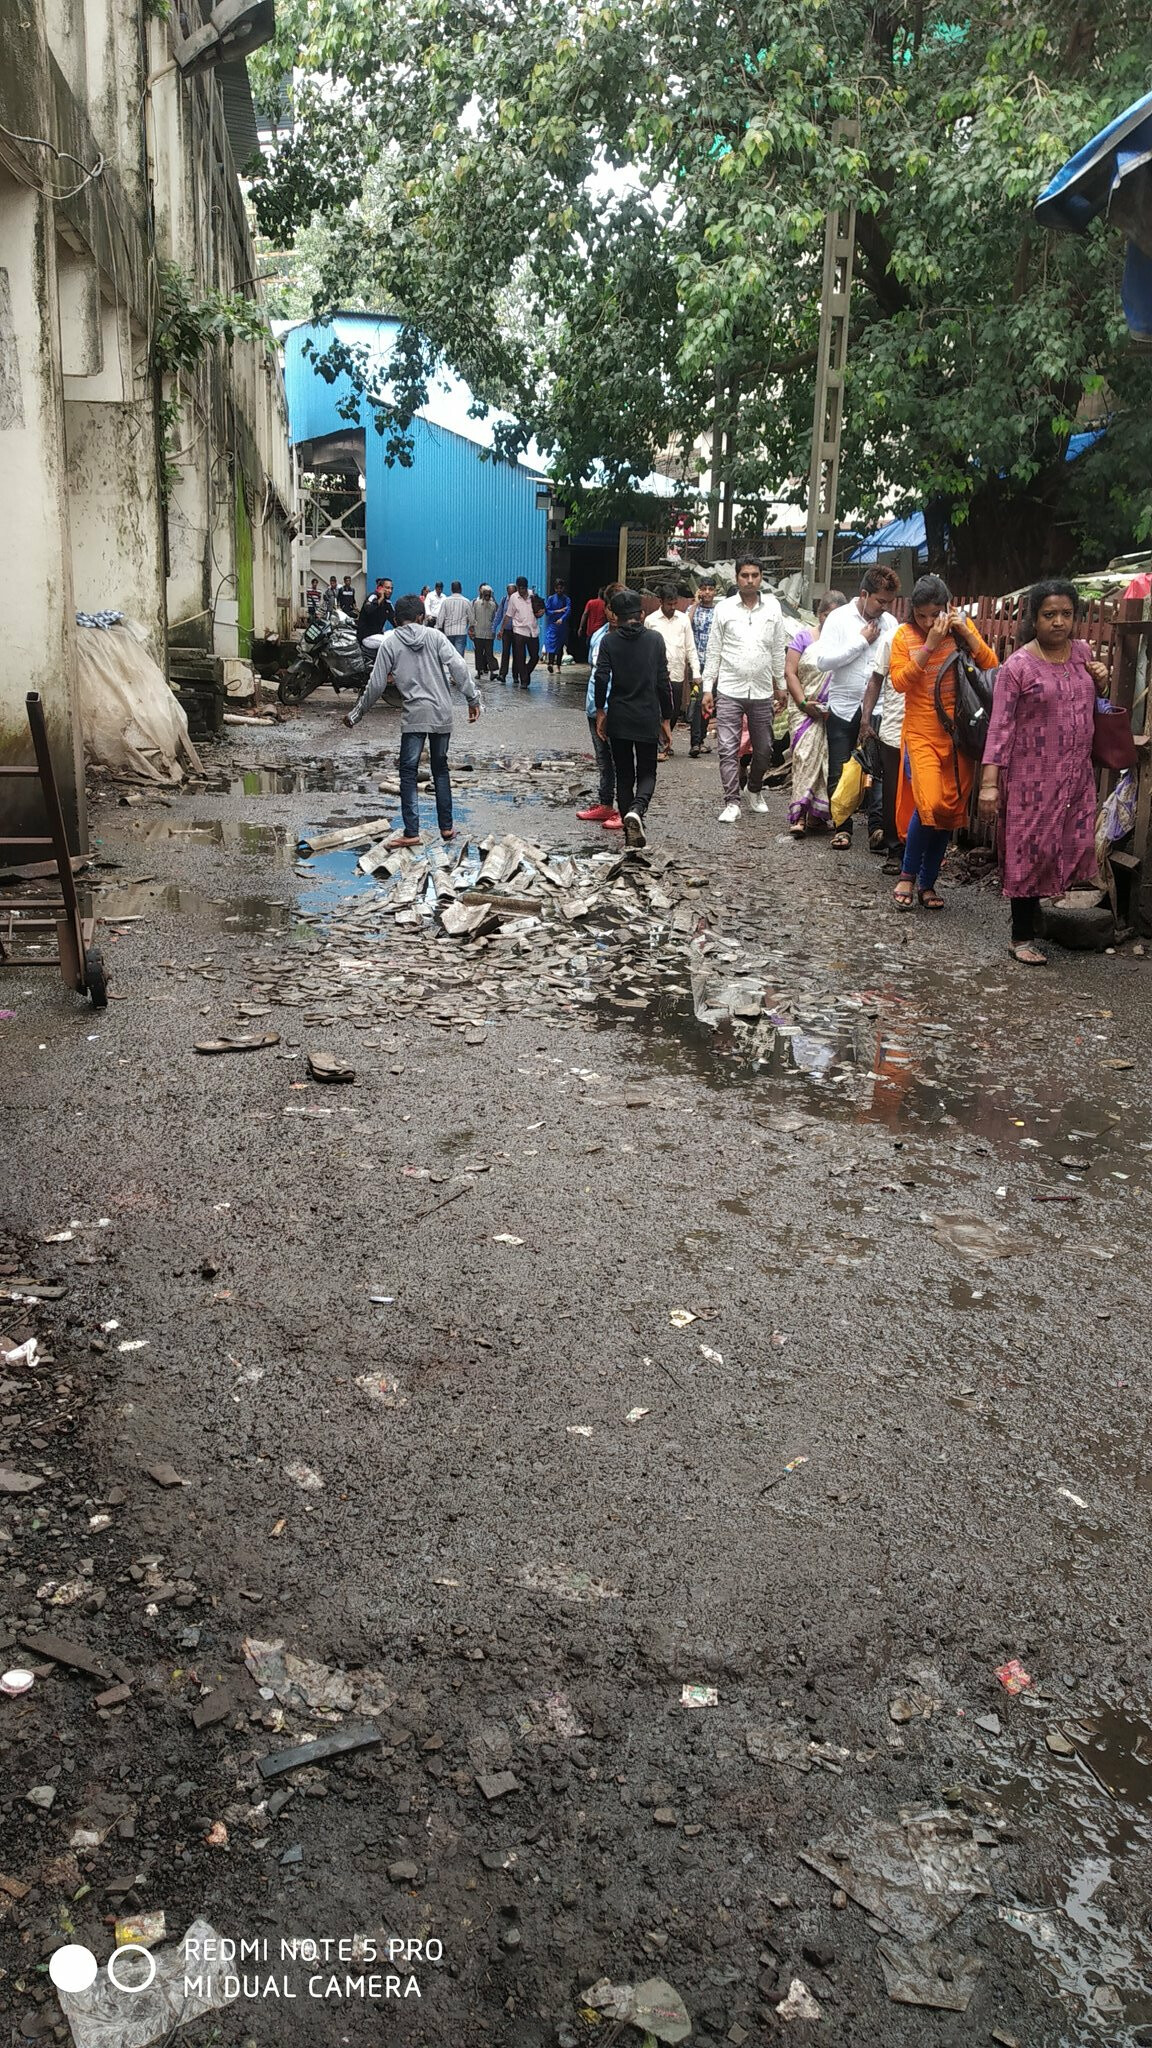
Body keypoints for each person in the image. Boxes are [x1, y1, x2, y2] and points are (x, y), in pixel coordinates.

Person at [977, 579, 1109, 963]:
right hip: (1031, 778)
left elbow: (1094, 703)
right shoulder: (1018, 666)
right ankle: (1020, 937)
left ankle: (1036, 917)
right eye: (1049, 614)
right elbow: (1000, 727)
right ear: (1034, 619)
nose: (1059, 622)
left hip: (1075, 775)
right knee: (1029, 849)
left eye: (1066, 614)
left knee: (1065, 845)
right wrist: (989, 784)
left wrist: (1101, 681)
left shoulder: (1082, 654)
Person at [889, 574, 998, 911]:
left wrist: (966, 632)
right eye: (920, 615)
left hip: (959, 735)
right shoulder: (903, 636)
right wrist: (929, 646)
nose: (927, 622)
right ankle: (907, 875)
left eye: (934, 614)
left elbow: (992, 667)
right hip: (920, 733)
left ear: (947, 608)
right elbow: (899, 682)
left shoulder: (961, 629)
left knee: (949, 811)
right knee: (930, 803)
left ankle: (928, 883)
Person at [343, 594, 480, 847]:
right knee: (440, 769)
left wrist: (357, 713)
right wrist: (473, 698)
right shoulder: (435, 637)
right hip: (441, 712)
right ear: (421, 617)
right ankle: (447, 828)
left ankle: (412, 832)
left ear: (396, 620)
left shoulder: (390, 643)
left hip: (414, 715)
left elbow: (376, 684)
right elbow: (459, 666)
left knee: (408, 771)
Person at [809, 567, 901, 849]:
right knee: (840, 768)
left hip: (879, 708)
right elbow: (823, 661)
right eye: (880, 601)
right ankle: (842, 827)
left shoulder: (891, 624)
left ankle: (877, 829)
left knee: (879, 771)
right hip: (843, 706)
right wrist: (861, 642)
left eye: (889, 602)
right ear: (864, 594)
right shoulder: (838, 619)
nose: (885, 608)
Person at [701, 555, 788, 823]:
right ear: (736, 577)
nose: (750, 580)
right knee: (727, 748)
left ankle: (754, 788)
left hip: (762, 691)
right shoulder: (724, 609)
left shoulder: (773, 608)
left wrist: (781, 685)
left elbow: (778, 649)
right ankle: (732, 801)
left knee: (764, 749)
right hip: (729, 689)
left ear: (761, 578)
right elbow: (714, 650)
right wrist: (707, 688)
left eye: (754, 575)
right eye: (744, 575)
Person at [594, 586, 673, 848]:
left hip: (619, 716)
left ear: (615, 616)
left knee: (624, 773)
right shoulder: (655, 640)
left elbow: (601, 677)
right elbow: (663, 682)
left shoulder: (609, 642)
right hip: (647, 715)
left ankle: (630, 829)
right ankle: (637, 811)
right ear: (641, 614)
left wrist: (601, 711)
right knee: (647, 772)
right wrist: (666, 718)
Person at [784, 590, 844, 837]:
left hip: (832, 713)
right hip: (804, 711)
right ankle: (798, 815)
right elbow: (790, 672)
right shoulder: (804, 638)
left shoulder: (846, 643)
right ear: (819, 615)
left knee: (827, 764)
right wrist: (803, 703)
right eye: (827, 615)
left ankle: (817, 816)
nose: (831, 621)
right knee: (804, 758)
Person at [577, 582, 624, 830]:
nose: (614, 614)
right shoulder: (598, 635)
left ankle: (625, 810)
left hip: (617, 709)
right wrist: (596, 708)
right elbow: (595, 672)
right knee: (603, 760)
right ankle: (606, 803)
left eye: (619, 609)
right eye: (610, 608)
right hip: (594, 709)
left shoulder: (631, 639)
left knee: (621, 761)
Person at [859, 632, 905, 871]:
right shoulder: (892, 639)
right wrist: (865, 719)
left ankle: (917, 852)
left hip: (929, 731)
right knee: (891, 792)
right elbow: (876, 680)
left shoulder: (945, 639)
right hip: (894, 728)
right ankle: (894, 850)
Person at [645, 582, 700, 756]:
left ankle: (664, 739)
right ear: (660, 601)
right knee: (656, 709)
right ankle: (659, 744)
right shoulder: (650, 621)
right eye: (669, 603)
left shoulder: (683, 620)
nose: (673, 607)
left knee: (674, 710)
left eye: (675, 603)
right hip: (655, 674)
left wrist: (696, 672)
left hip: (676, 672)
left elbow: (690, 647)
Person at [687, 578, 718, 755]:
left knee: (708, 701)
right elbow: (685, 625)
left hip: (713, 664)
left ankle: (700, 740)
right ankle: (695, 742)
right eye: (704, 589)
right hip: (696, 663)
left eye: (710, 589)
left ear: (715, 592)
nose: (707, 592)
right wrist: (695, 604)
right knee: (698, 700)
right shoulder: (693, 610)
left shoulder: (718, 612)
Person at [506, 575, 540, 689]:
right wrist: (502, 629)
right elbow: (509, 615)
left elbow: (540, 610)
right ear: (517, 587)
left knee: (535, 657)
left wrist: (541, 613)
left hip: (533, 630)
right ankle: (524, 681)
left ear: (526, 587)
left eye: (523, 588)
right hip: (519, 630)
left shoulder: (533, 595)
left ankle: (525, 672)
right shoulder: (513, 598)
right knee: (520, 657)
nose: (522, 591)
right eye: (520, 588)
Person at [437, 580, 473, 653]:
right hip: (461, 632)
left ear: (451, 589)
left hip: (448, 631)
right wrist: (471, 626)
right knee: (459, 655)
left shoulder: (445, 601)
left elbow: (440, 617)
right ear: (461, 589)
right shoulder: (466, 601)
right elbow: (471, 618)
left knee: (449, 654)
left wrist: (439, 627)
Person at [543, 582, 571, 675]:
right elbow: (547, 611)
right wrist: (557, 611)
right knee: (551, 644)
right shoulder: (551, 599)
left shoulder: (566, 599)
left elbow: (568, 611)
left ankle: (558, 666)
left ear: (563, 588)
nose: (559, 590)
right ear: (555, 589)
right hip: (552, 625)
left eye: (561, 588)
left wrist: (562, 619)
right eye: (557, 588)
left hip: (562, 626)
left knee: (560, 646)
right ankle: (550, 663)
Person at [356, 577, 395, 644]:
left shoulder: (388, 603)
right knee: (388, 643)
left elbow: (394, 619)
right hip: (366, 636)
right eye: (387, 588)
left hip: (378, 635)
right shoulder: (372, 597)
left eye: (391, 588)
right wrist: (381, 598)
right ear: (380, 588)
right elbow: (368, 609)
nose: (390, 591)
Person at [471, 584, 497, 676]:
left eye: (489, 595)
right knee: (478, 653)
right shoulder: (476, 603)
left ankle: (492, 671)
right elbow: (473, 617)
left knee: (489, 653)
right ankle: (479, 671)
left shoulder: (493, 605)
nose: (487, 597)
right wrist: (472, 629)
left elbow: (494, 618)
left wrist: (493, 629)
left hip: (489, 633)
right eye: (485, 595)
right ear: (482, 595)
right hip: (478, 632)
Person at [493, 583, 516, 681]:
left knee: (517, 653)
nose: (510, 596)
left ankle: (516, 675)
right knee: (505, 652)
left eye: (512, 593)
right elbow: (499, 615)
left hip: (517, 631)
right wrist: (494, 627)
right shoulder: (504, 600)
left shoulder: (518, 601)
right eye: (509, 593)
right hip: (506, 630)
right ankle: (502, 674)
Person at [579, 588, 607, 654]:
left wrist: (581, 627)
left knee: (590, 649)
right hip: (600, 631)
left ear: (598, 594)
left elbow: (585, 614)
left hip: (590, 631)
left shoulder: (590, 602)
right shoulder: (605, 605)